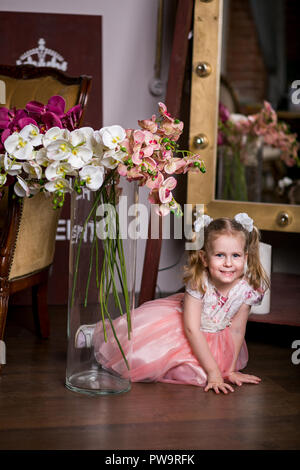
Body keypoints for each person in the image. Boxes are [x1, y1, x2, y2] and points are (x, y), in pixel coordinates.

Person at [75, 212, 270, 394]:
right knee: (136, 342)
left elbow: (236, 330)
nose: (228, 263)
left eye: (235, 256)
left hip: (215, 338)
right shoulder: (199, 283)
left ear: (245, 258)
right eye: (220, 255)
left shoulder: (247, 289)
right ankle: (98, 333)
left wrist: (229, 369)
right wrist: (213, 372)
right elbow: (192, 329)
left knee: (212, 371)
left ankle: (212, 368)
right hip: (184, 328)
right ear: (204, 258)